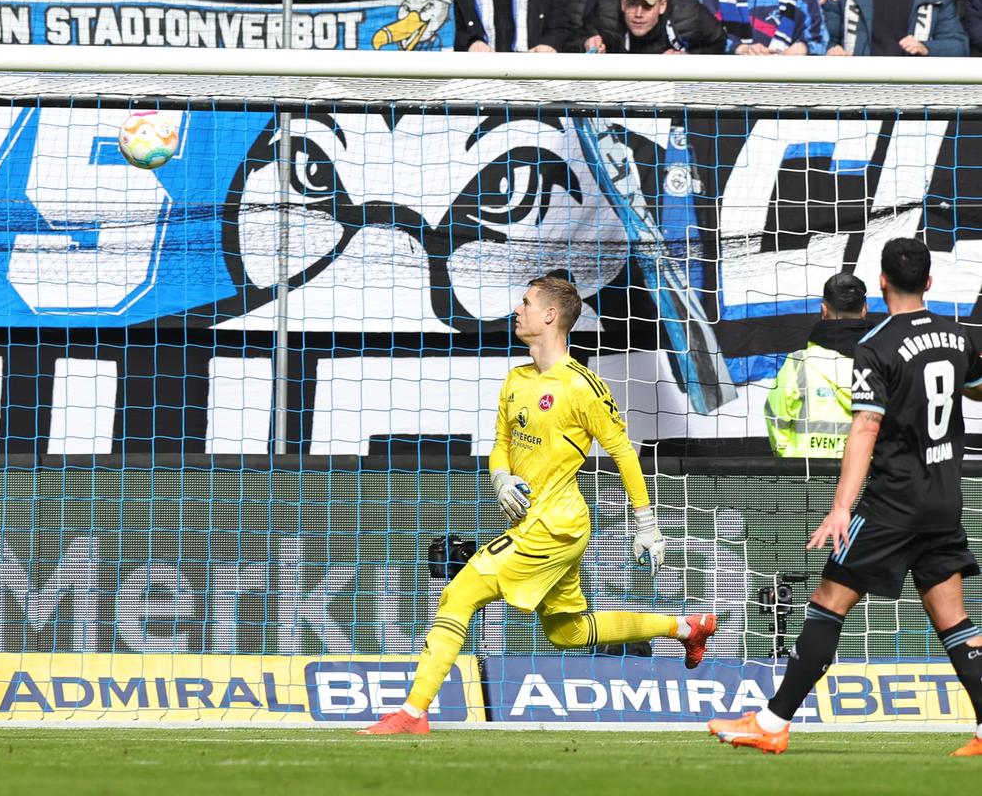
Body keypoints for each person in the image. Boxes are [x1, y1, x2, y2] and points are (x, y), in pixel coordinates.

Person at [357, 276, 717, 735]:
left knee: (458, 594)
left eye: (525, 303)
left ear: (549, 316)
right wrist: (500, 476)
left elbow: (624, 452)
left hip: (555, 524)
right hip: (540, 524)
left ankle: (412, 713)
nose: (517, 310)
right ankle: (686, 629)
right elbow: (501, 443)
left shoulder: (582, 386)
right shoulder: (517, 378)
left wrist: (646, 524)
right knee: (567, 632)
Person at [709, 239, 982, 757]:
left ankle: (772, 721)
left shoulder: (876, 344)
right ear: (929, 281)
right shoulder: (958, 335)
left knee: (827, 605)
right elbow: (975, 386)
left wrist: (840, 509)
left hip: (892, 504)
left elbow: (864, 429)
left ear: (882, 283)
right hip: (944, 500)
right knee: (954, 621)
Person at [765, 273, 870, 459]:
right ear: (864, 310)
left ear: (823, 310)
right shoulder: (884, 361)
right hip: (867, 476)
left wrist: (790, 457)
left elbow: (775, 416)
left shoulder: (799, 362)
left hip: (808, 478)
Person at [822, 0, 966, 55]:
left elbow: (959, 46)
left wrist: (926, 48)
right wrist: (833, 51)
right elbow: (822, 41)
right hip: (856, 92)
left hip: (914, 93)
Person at [584, 0, 729, 52]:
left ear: (663, 5)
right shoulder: (604, 14)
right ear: (622, 3)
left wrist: (688, 58)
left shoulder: (691, 16)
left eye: (647, 5)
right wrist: (585, 44)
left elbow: (720, 42)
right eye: (632, 4)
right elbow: (571, 42)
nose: (638, 14)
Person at [697, 0, 828, 54]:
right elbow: (702, 38)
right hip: (724, 91)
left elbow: (819, 43)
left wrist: (802, 49)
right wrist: (739, 48)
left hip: (788, 92)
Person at [453, 0, 576, 53]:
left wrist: (548, 45)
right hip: (478, 71)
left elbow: (562, 23)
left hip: (532, 71)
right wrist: (471, 43)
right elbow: (450, 23)